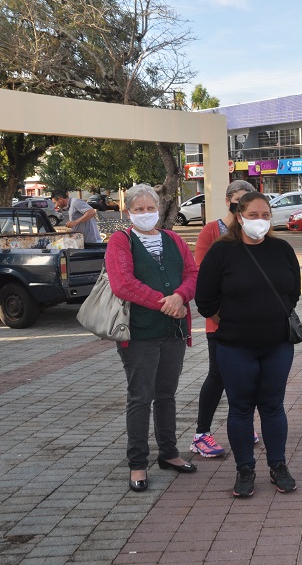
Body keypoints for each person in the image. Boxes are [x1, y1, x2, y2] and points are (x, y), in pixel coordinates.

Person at [195, 192, 301, 498]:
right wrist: (229, 319)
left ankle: (278, 467)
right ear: (239, 217)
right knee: (240, 409)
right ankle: (245, 469)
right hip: (234, 345)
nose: (260, 221)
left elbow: (292, 292)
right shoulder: (222, 252)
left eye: (265, 215)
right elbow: (204, 299)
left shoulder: (281, 249)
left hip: (277, 344)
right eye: (253, 215)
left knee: (273, 406)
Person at [105, 184, 198, 493]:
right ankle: (137, 463)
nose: (146, 213)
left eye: (150, 208)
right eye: (139, 209)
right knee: (140, 397)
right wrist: (166, 302)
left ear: (159, 208)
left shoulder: (172, 238)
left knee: (167, 394)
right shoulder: (121, 241)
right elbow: (123, 284)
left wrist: (181, 296)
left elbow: (192, 273)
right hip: (140, 333)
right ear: (129, 212)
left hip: (173, 332)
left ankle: (169, 453)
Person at [189, 180, 256, 459]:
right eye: (240, 200)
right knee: (218, 376)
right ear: (229, 200)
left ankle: (242, 427)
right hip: (220, 321)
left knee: (247, 377)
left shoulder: (253, 232)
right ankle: (201, 434)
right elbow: (203, 276)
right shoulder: (211, 231)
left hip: (252, 321)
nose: (244, 207)